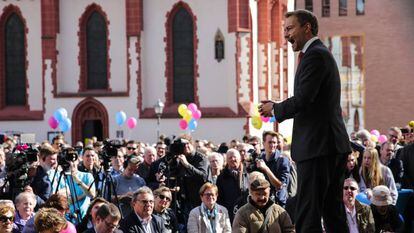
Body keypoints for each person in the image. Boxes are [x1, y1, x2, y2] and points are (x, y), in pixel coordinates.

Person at [259, 9, 351, 233]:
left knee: (308, 216)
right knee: (333, 214)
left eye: (290, 29)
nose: (286, 35)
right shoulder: (318, 54)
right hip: (327, 146)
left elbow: (304, 99)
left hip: (318, 147)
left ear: (307, 27)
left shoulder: (315, 55)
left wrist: (276, 109)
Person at [216, 149, 248, 222]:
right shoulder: (222, 177)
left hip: (246, 210)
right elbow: (219, 197)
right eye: (230, 158)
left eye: (234, 157)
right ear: (226, 160)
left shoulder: (247, 172)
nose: (232, 159)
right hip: (229, 212)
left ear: (240, 158)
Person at [259, 131, 289, 207]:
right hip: (261, 201)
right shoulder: (259, 159)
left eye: (274, 142)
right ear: (263, 143)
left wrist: (266, 169)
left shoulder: (282, 160)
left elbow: (280, 185)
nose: (272, 145)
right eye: (270, 142)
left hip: (277, 203)